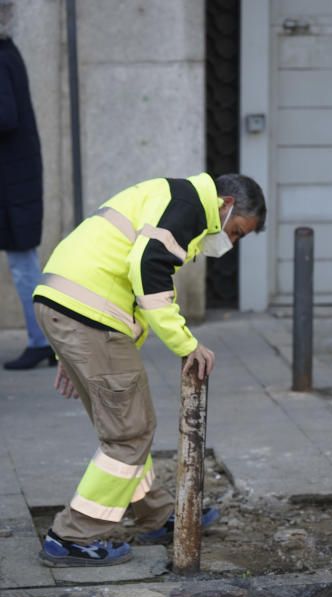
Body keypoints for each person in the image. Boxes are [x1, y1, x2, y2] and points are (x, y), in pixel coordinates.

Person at [33, 172, 266, 566]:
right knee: (129, 434)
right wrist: (186, 344)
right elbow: (147, 271)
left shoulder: (171, 196)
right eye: (239, 232)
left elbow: (130, 291)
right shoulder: (190, 207)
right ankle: (72, 536)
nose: (233, 242)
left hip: (67, 306)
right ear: (226, 205)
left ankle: (156, 515)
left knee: (127, 428)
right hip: (88, 319)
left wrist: (67, 354)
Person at [0, 35, 55, 369]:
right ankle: (44, 340)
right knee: (25, 263)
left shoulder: (2, 58)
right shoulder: (9, 52)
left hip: (12, 183)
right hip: (14, 178)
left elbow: (6, 115)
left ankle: (43, 340)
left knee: (24, 264)